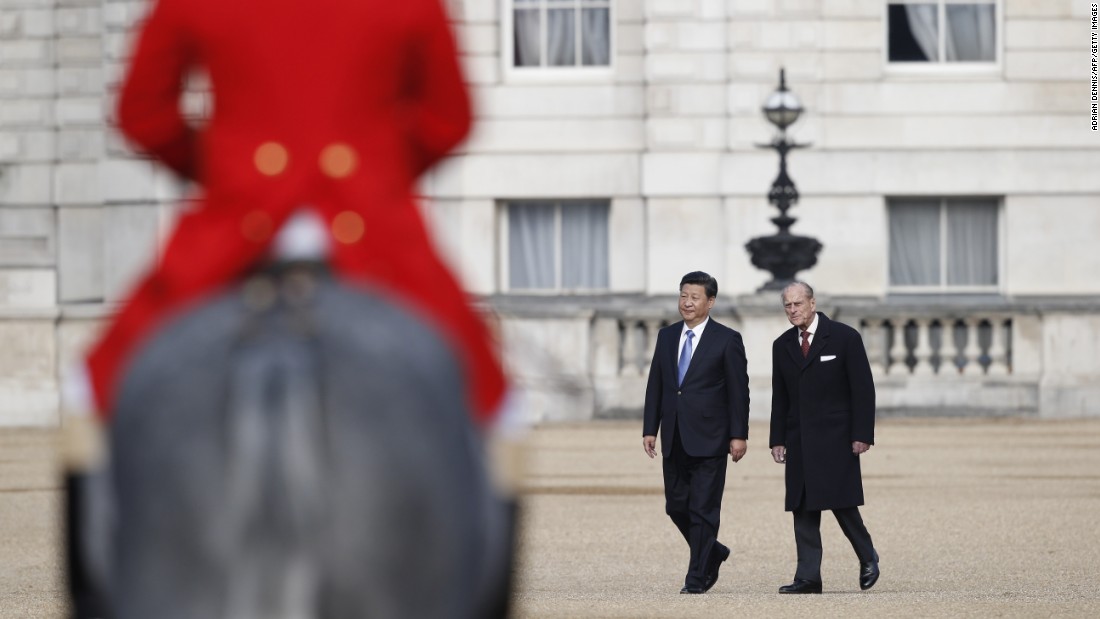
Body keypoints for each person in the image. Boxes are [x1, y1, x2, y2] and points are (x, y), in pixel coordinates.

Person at [62, 0, 517, 616]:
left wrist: (229, 166)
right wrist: (373, 170)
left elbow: (143, 113)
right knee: (501, 406)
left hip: (227, 239)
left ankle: (93, 599)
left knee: (86, 394)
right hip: (376, 245)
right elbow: (448, 119)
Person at [642, 271, 750, 594]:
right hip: (674, 435)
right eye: (683, 296)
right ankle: (713, 552)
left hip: (711, 437)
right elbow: (656, 386)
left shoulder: (727, 339)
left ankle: (696, 578)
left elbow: (738, 391)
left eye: (694, 297)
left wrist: (738, 434)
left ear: (710, 302)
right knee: (676, 506)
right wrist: (650, 428)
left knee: (703, 510)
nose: (687, 303)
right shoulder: (666, 336)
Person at [769, 281, 880, 594]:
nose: (793, 310)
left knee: (842, 503)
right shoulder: (782, 345)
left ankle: (868, 555)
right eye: (787, 306)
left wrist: (862, 434)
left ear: (812, 303)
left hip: (837, 438)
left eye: (798, 304)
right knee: (802, 507)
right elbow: (781, 397)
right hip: (799, 438)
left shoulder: (845, 337)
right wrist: (777, 438)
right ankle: (808, 577)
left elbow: (863, 389)